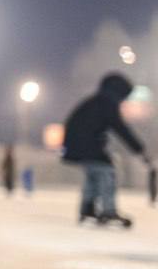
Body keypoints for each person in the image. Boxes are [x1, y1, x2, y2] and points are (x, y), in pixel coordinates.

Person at [62, 73, 150, 228]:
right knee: (106, 171)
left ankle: (87, 210)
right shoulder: (107, 103)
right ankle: (108, 211)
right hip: (86, 144)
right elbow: (121, 129)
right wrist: (140, 149)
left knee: (94, 175)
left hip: (78, 144)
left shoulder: (96, 101)